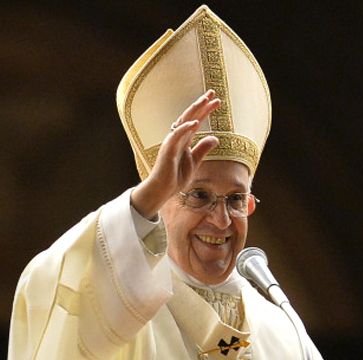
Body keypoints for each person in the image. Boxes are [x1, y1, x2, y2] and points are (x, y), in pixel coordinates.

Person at [8, 5, 323, 360]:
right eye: (200, 196)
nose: (221, 220)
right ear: (163, 201)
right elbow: (55, 300)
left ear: (250, 206)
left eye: (235, 200)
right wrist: (149, 195)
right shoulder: (124, 311)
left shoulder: (283, 332)